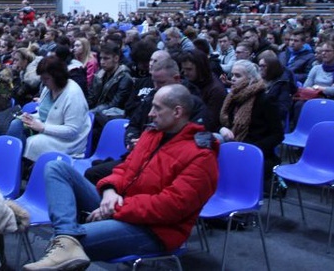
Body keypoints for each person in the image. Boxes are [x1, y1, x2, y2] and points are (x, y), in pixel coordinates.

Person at [22, 84, 218, 270]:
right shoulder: (153, 134)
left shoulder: (201, 155)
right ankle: (66, 236)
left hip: (154, 230)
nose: (150, 113)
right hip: (121, 207)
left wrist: (116, 208)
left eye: (157, 108)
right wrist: (109, 190)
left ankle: (66, 242)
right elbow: (125, 169)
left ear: (177, 112)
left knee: (75, 245)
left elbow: (171, 207)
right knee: (56, 168)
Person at [11, 56, 91, 162]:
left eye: (46, 79)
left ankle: (22, 168)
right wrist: (30, 118)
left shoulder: (73, 94)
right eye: (42, 79)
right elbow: (44, 113)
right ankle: (11, 163)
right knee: (16, 124)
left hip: (68, 141)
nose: (43, 82)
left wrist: (43, 128)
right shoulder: (48, 89)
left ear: (58, 77)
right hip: (47, 129)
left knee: (34, 142)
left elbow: (72, 130)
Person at [219, 60, 284, 181]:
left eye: (238, 76)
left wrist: (252, 148)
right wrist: (222, 128)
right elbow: (222, 123)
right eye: (232, 75)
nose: (232, 79)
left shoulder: (265, 100)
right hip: (234, 144)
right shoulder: (233, 97)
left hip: (257, 150)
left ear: (251, 79)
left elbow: (278, 135)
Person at [258, 50, 296, 123]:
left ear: (272, 67)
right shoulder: (256, 81)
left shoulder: (282, 84)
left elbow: (282, 110)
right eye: (259, 66)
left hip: (272, 121)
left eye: (263, 66)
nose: (260, 69)